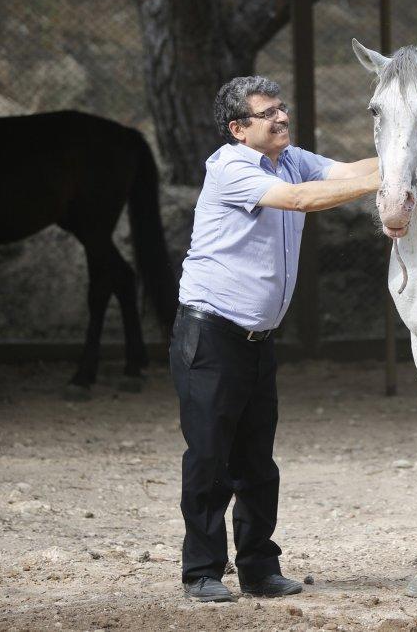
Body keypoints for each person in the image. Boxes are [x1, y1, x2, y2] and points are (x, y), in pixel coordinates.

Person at [172, 76, 379, 602]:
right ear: (239, 129)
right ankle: (201, 572)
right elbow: (303, 199)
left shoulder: (288, 157)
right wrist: (385, 181)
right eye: (268, 114)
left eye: (282, 108)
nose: (282, 118)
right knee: (209, 458)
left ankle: (259, 570)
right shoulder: (232, 167)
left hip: (257, 339)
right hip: (211, 333)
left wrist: (412, 153)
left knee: (257, 463)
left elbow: (349, 171)